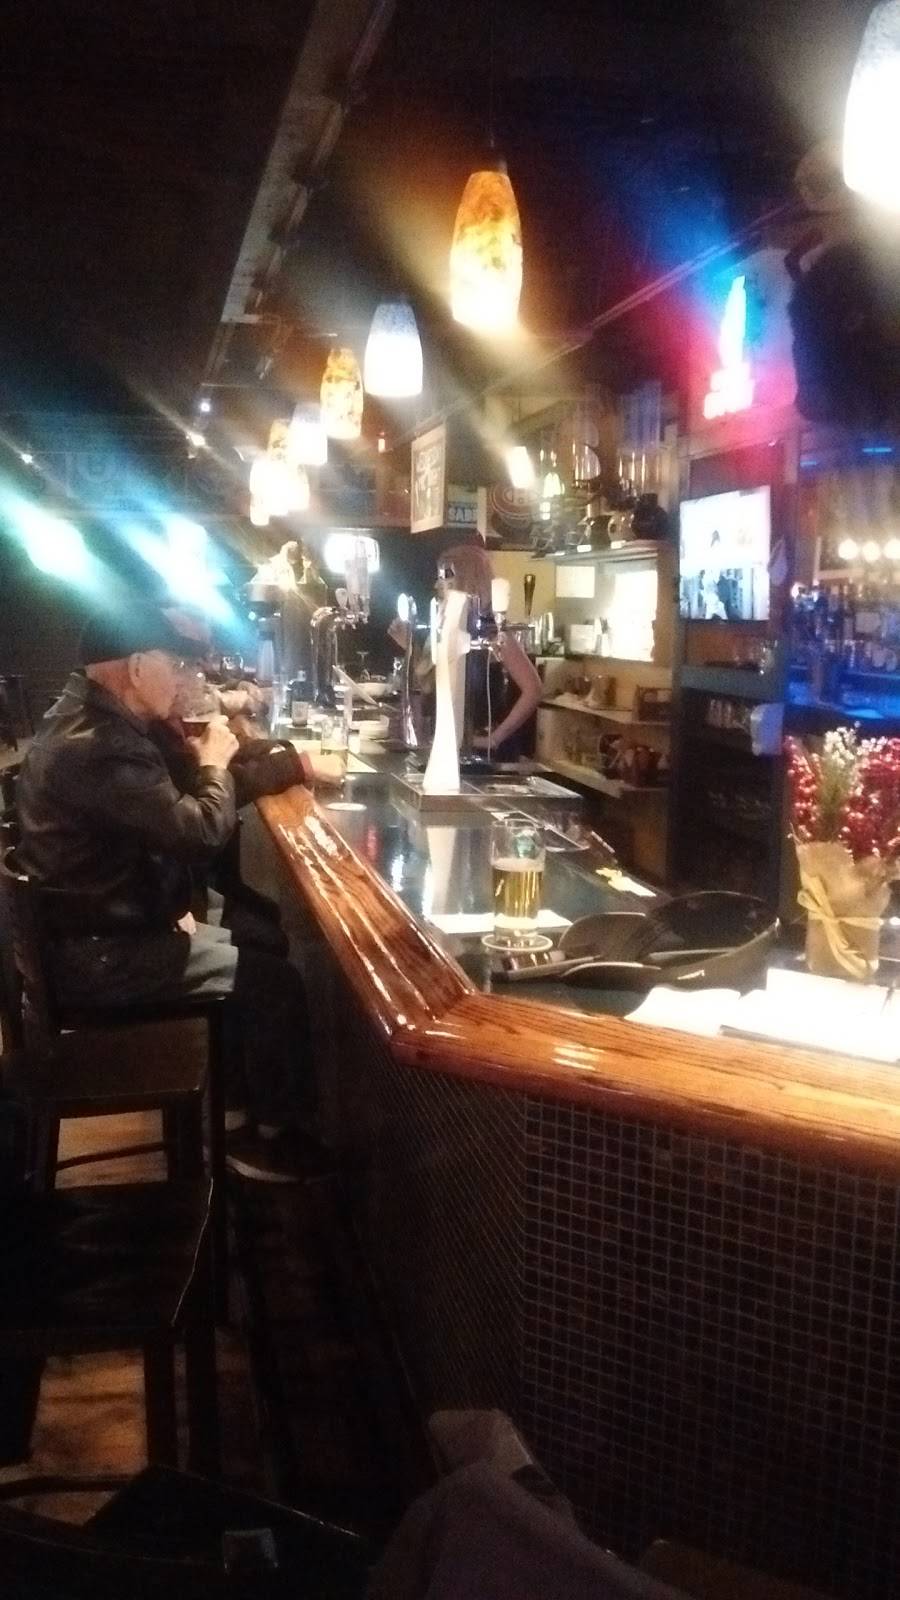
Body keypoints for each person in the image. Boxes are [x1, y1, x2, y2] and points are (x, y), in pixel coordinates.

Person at [15, 602, 322, 1183]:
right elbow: (198, 832)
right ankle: (272, 1142)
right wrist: (215, 766)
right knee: (274, 983)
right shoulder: (100, 745)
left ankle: (234, 1114)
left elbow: (174, 813)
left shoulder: (89, 721)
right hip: (103, 958)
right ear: (136, 667)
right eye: (175, 664)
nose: (183, 678)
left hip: (98, 935)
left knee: (257, 936)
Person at [390, 542, 542, 759]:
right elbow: (429, 686)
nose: (437, 584)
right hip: (447, 744)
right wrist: (410, 646)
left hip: (481, 752)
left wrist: (494, 738)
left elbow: (533, 689)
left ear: (466, 580)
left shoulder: (492, 631)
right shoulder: (446, 626)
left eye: (445, 576)